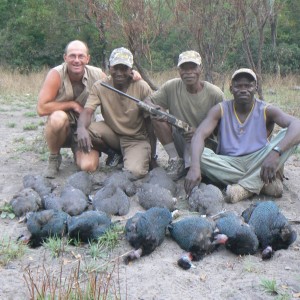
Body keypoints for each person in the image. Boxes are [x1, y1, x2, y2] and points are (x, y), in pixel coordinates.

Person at [184, 68, 300, 203]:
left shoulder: (266, 109)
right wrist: (195, 167)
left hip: (260, 160)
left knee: (290, 133)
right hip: (227, 163)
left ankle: (243, 189)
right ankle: (261, 184)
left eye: (248, 85)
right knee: (195, 152)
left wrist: (276, 153)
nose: (243, 89)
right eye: (238, 86)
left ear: (255, 88)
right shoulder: (220, 109)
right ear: (231, 89)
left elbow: (297, 124)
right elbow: (199, 135)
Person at [37, 40, 140, 178]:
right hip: (63, 129)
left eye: (81, 56)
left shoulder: (97, 74)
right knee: (57, 118)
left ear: (88, 58)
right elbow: (41, 108)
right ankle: (54, 158)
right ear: (65, 58)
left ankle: (86, 152)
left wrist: (132, 75)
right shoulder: (55, 74)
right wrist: (72, 105)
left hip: (86, 129)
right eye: (72, 56)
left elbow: (117, 79)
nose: (76, 60)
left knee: (89, 166)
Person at [76, 47, 155, 179]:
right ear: (109, 67)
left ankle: (136, 155)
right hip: (113, 134)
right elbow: (88, 111)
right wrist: (81, 128)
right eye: (115, 68)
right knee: (82, 130)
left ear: (131, 69)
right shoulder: (100, 86)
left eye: (124, 68)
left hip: (135, 139)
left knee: (134, 173)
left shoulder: (142, 87)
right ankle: (113, 153)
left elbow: (151, 123)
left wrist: (152, 156)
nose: (119, 73)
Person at [146, 50, 224, 181]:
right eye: (184, 68)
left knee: (200, 171)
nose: (188, 72)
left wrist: (200, 134)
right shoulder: (171, 86)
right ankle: (175, 160)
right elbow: (147, 101)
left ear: (201, 68)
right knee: (156, 116)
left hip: (206, 142)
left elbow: (224, 126)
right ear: (179, 70)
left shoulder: (215, 94)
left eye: (193, 67)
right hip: (180, 137)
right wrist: (157, 109)